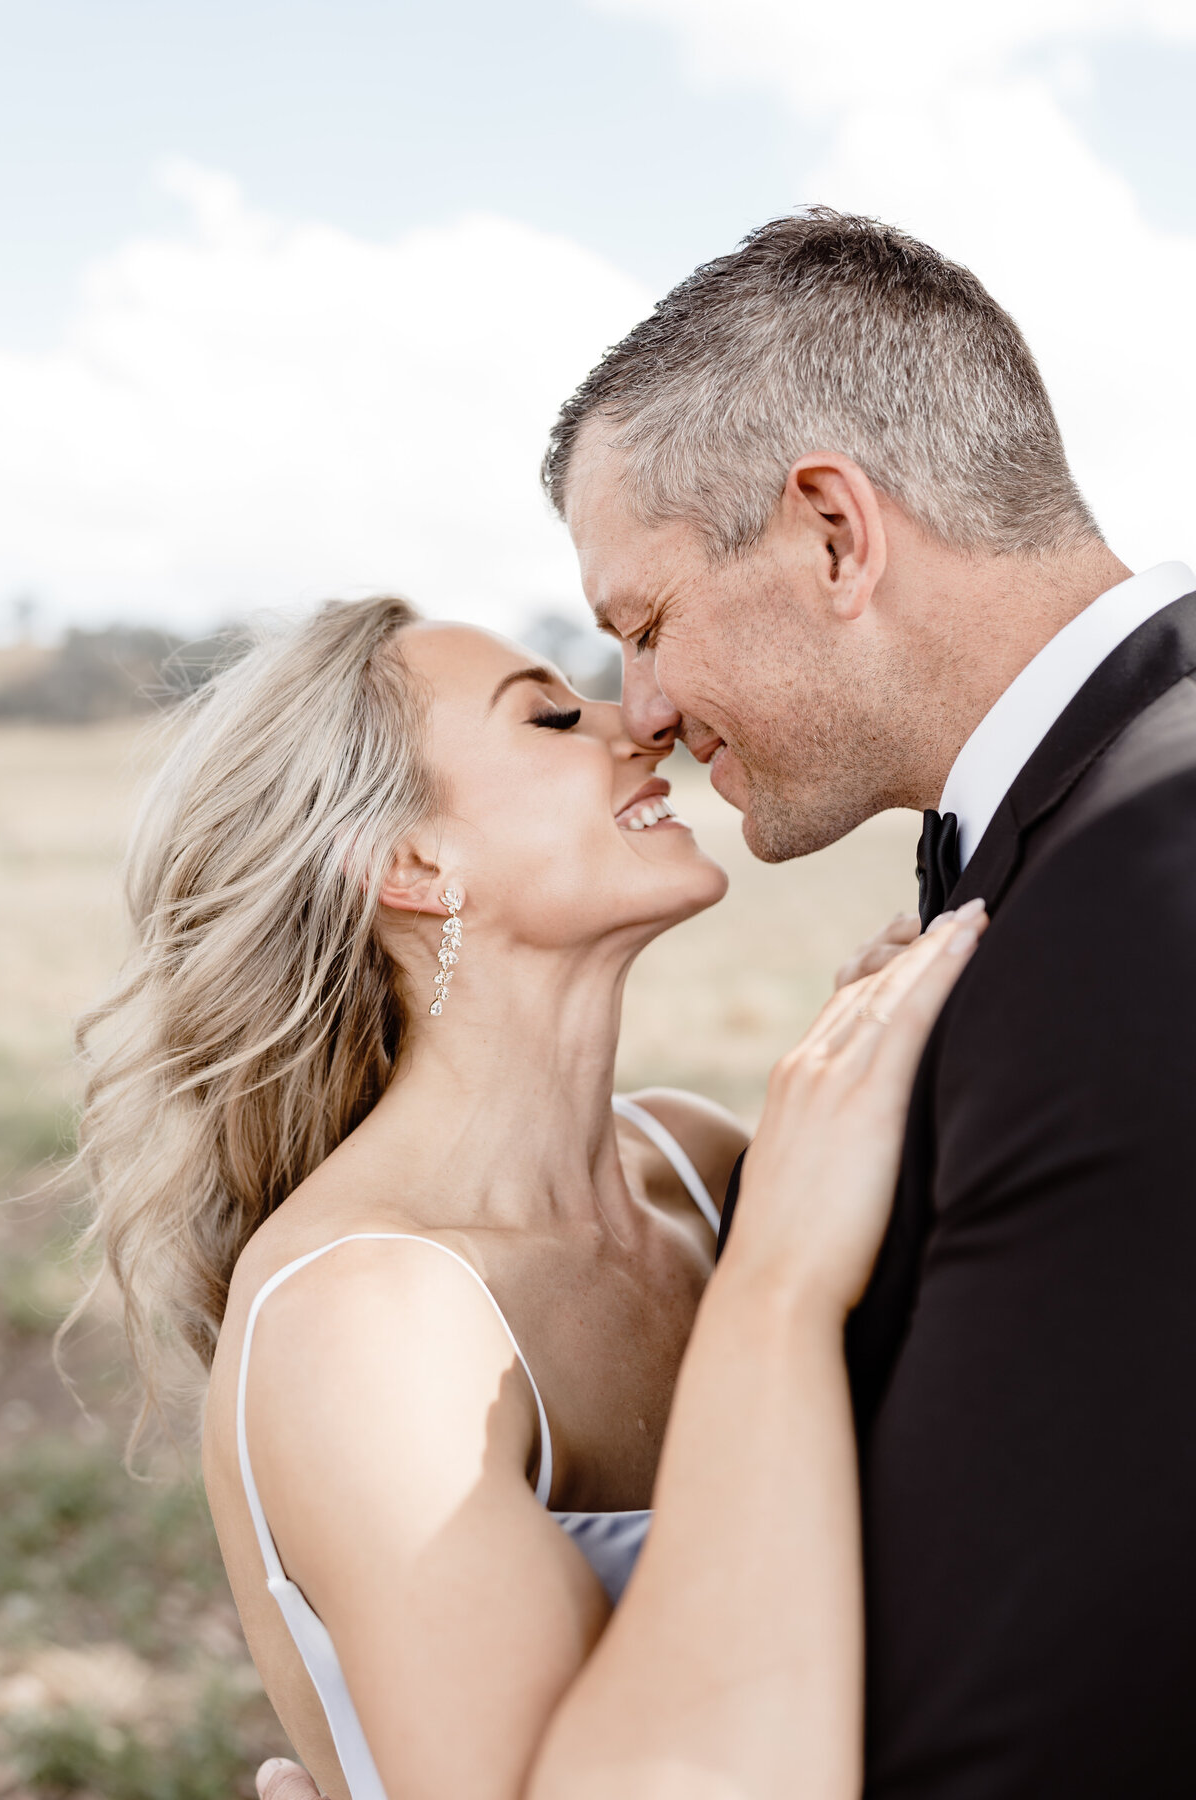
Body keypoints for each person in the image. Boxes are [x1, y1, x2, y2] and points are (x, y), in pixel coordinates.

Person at [78, 593, 983, 1799]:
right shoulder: (363, 1320)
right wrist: (781, 1282)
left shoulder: (704, 1170)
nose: (639, 723)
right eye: (552, 718)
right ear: (413, 865)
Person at [539, 208, 1196, 1794]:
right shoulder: (1085, 824)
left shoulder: (1143, 887)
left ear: (833, 532)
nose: (647, 713)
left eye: (646, 626)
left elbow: (1021, 1723)